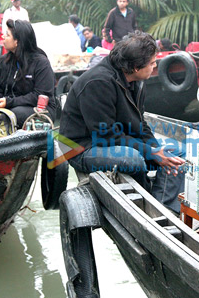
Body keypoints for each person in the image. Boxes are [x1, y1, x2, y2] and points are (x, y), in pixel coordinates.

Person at [60, 31, 186, 213]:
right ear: (136, 67)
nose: (155, 65)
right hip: (82, 147)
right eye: (151, 63)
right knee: (133, 159)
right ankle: (144, 205)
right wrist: (151, 152)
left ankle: (162, 207)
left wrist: (156, 150)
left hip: (113, 138)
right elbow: (107, 137)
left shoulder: (136, 81)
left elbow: (140, 124)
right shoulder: (98, 83)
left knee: (177, 152)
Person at [0, 19, 56, 128]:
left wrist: (9, 102)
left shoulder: (41, 63)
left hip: (40, 109)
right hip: (11, 105)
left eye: (7, 35)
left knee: (11, 115)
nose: (3, 37)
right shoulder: (4, 61)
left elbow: (39, 95)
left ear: (17, 41)